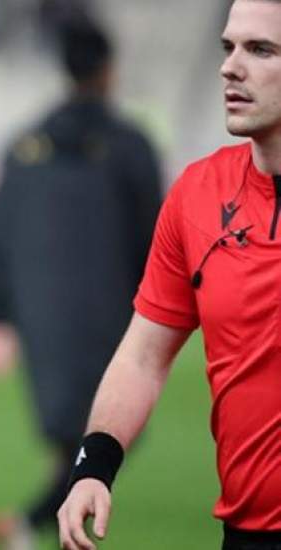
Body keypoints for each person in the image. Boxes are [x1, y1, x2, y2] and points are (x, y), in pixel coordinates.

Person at [58, 2, 281, 549]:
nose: (230, 67)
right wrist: (93, 467)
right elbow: (143, 355)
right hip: (247, 534)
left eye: (260, 50)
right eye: (228, 47)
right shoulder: (197, 196)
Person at [0, 20, 163, 550]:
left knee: (80, 435)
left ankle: (32, 526)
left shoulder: (25, 144)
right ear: (110, 70)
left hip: (42, 310)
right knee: (107, 431)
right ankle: (33, 524)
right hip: (113, 310)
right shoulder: (132, 145)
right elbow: (156, 237)